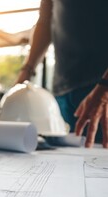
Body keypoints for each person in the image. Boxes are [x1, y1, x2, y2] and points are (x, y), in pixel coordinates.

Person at [16, 0, 108, 148]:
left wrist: (105, 86)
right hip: (63, 90)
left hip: (100, 88)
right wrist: (27, 69)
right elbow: (45, 21)